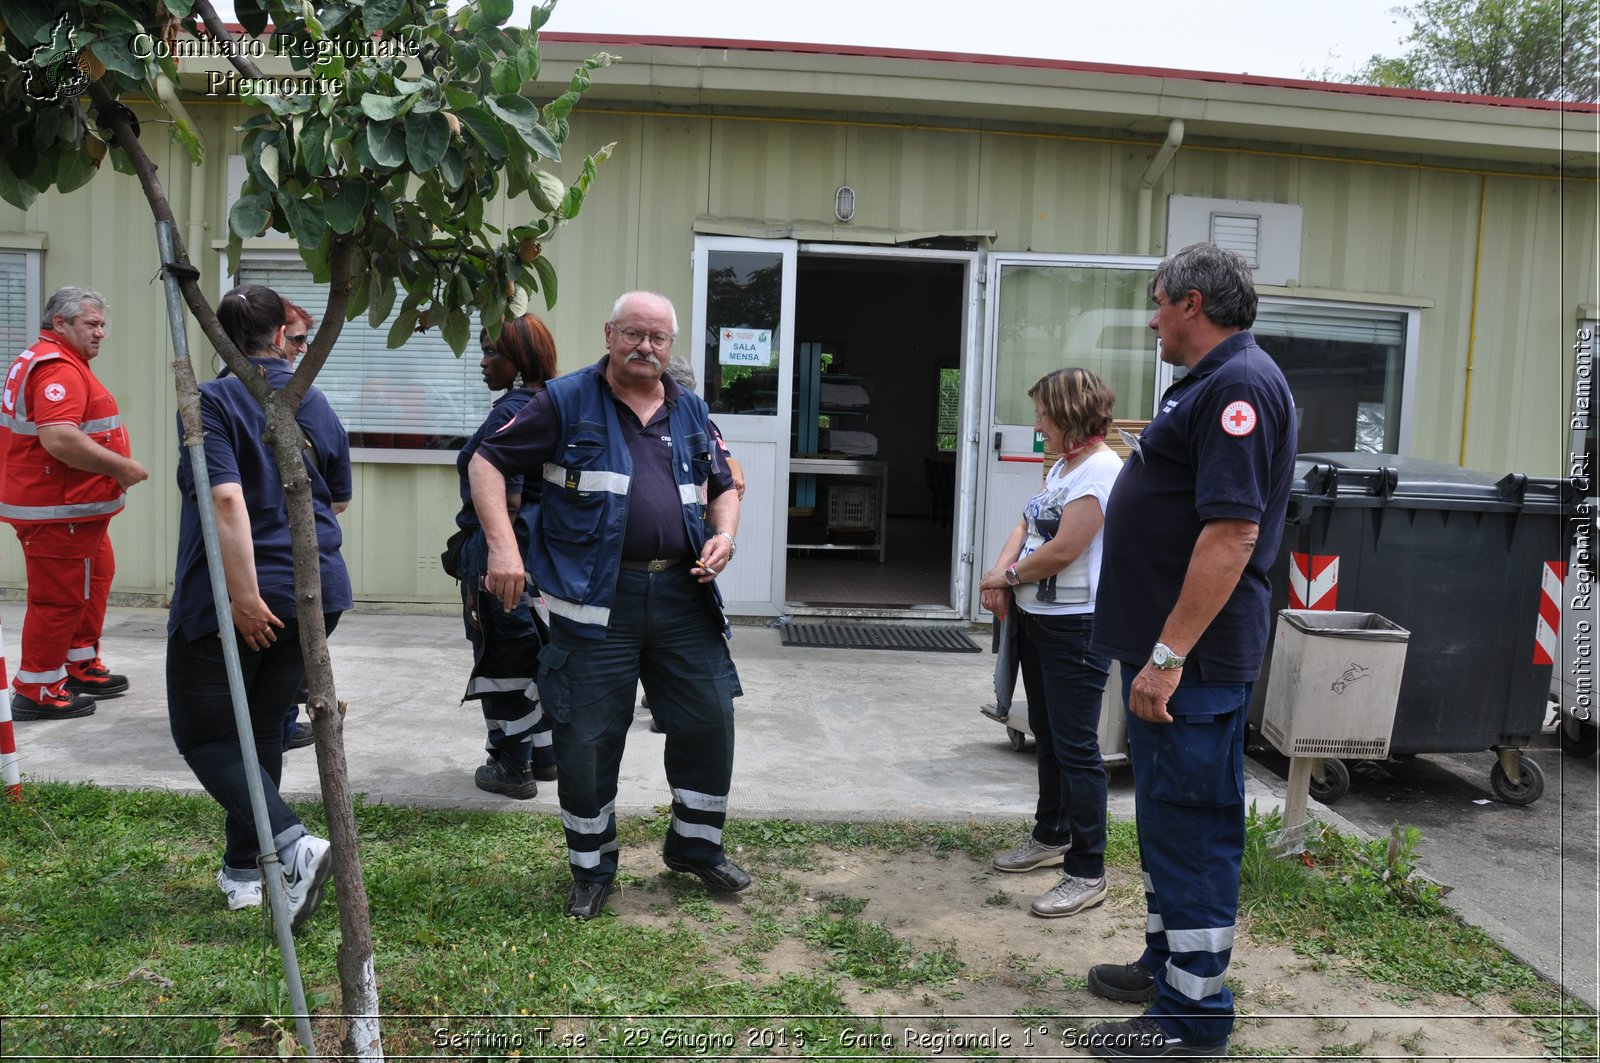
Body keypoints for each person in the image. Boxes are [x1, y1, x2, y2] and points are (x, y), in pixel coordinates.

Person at [1082, 243, 1296, 1059]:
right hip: (1172, 654)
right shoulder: (1212, 383)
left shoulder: (1238, 385)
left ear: (1193, 303)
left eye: (1158, 303)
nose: (1152, 319)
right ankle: (1167, 963)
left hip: (1193, 663)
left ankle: (1191, 1016)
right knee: (1169, 819)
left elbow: (1234, 531)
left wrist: (1168, 653)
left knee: (1196, 826)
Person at [470, 290, 746, 921]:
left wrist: (722, 534)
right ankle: (592, 867)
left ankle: (695, 846)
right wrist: (503, 549)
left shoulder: (691, 409)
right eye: (633, 334)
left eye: (658, 338)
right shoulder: (562, 401)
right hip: (595, 602)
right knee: (587, 737)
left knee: (709, 719)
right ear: (609, 333)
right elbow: (486, 464)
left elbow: (724, 485)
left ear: (670, 346)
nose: (645, 347)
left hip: (683, 593)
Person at [166, 285, 352, 927]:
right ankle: (250, 869)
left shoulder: (210, 400)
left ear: (220, 336)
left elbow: (225, 501)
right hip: (312, 588)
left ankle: (292, 847)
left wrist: (244, 597)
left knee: (205, 733)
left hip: (240, 594)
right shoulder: (309, 398)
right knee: (262, 730)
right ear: (280, 336)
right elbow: (335, 500)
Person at [979, 367, 1121, 919]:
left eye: (1043, 415)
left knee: (1077, 746)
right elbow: (1026, 523)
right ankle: (1051, 834)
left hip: (1076, 626)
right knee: (1047, 734)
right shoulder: (1065, 465)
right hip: (1039, 618)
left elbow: (1065, 549)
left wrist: (1007, 579)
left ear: (1069, 415)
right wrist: (1000, 572)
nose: (1038, 425)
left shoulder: (1101, 472)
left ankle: (1087, 871)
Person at [0, 287, 148, 721]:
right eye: (91, 324)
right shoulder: (57, 368)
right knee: (59, 599)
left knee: (97, 577)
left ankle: (78, 663)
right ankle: (37, 687)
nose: (101, 332)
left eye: (103, 324)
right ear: (60, 323)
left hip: (75, 511)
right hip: (57, 511)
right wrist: (121, 467)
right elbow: (60, 438)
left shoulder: (59, 361)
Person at [453, 314, 560, 798]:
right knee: (534, 649)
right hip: (542, 552)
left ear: (521, 361)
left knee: (502, 651)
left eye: (493, 352)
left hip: (504, 552)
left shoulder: (511, 412)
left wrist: (496, 550)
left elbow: (507, 494)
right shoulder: (554, 404)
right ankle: (545, 754)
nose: (482, 361)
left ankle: (511, 766)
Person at [278, 298, 317, 752]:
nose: (303, 349)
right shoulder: (284, 391)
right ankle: (282, 723)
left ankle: (282, 718)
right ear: (275, 336)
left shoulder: (223, 391)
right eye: (297, 338)